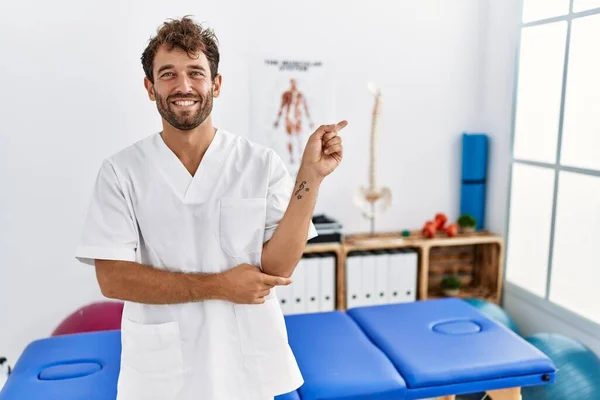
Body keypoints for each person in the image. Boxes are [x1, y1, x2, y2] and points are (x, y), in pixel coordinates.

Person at [74, 16, 346, 400]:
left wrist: (311, 178)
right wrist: (219, 286)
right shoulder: (121, 172)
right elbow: (113, 278)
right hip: (161, 376)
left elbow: (278, 268)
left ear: (215, 84)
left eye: (195, 73)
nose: (183, 86)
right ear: (150, 88)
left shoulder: (260, 163)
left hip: (244, 367)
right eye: (167, 74)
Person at [274, 78, 314, 165]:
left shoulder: (300, 95)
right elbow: (281, 107)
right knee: (290, 138)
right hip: (289, 118)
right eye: (292, 83)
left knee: (299, 138)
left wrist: (310, 121)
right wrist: (277, 120)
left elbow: (306, 107)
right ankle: (291, 157)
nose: (294, 85)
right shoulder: (286, 94)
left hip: (298, 118)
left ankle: (300, 156)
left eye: (295, 83)